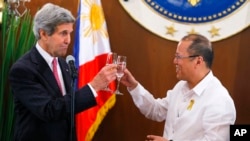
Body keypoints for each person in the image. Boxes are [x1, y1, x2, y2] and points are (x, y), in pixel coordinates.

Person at [8, 3, 117, 141]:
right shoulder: (23, 70)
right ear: (44, 34)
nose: (68, 40)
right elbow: (49, 110)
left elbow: (68, 109)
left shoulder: (63, 63)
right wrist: (94, 86)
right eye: (63, 33)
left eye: (70, 33)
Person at [121, 34, 236, 141]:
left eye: (179, 57)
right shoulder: (181, 86)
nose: (174, 61)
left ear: (198, 61)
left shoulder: (219, 100)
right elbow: (156, 111)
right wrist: (133, 86)